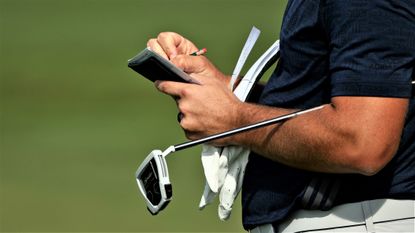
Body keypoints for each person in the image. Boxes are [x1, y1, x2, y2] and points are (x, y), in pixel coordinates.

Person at [146, 0, 415, 232]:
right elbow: (323, 99)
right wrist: (226, 93)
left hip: (361, 221)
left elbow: (363, 142)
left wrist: (235, 119)